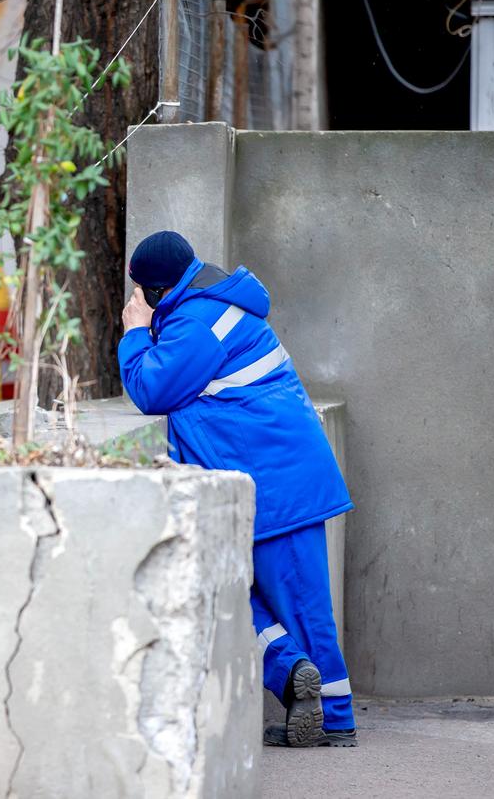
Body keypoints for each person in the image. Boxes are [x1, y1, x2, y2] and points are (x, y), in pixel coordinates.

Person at [118, 229, 358, 748]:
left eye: (142, 293)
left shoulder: (199, 323)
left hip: (276, 485)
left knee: (301, 606)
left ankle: (335, 720)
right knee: (232, 593)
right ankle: (294, 673)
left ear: (157, 292)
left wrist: (136, 331)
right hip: (265, 474)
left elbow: (150, 388)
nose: (138, 301)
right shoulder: (206, 307)